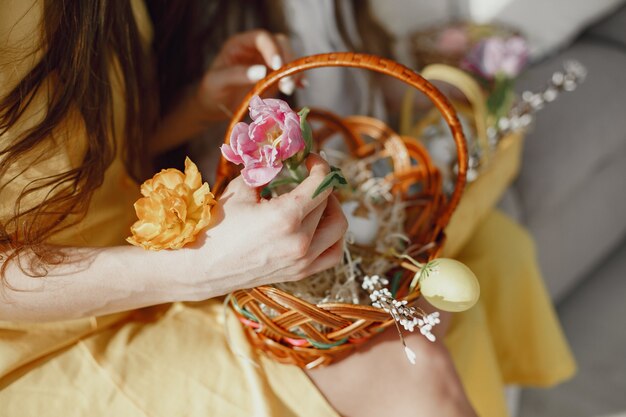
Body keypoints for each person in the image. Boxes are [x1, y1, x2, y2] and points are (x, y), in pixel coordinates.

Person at [0, 1, 477, 416]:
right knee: (414, 367)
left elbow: (72, 160)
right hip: (39, 338)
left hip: (143, 268)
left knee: (444, 297)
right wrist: (196, 268)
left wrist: (200, 106)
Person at [187, 1, 576, 417]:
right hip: (288, 210)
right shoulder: (225, 22)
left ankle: (498, 390)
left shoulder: (341, 10)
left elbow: (366, 78)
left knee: (503, 245)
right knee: (427, 335)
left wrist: (442, 92)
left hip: (367, 178)